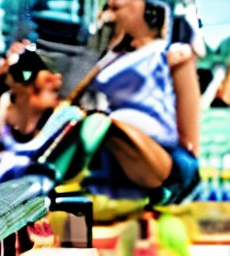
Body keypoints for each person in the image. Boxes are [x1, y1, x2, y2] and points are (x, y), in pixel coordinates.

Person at [84, 0, 201, 204]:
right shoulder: (107, 58)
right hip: (112, 159)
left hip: (162, 159)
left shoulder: (170, 54)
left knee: (104, 125)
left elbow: (190, 137)